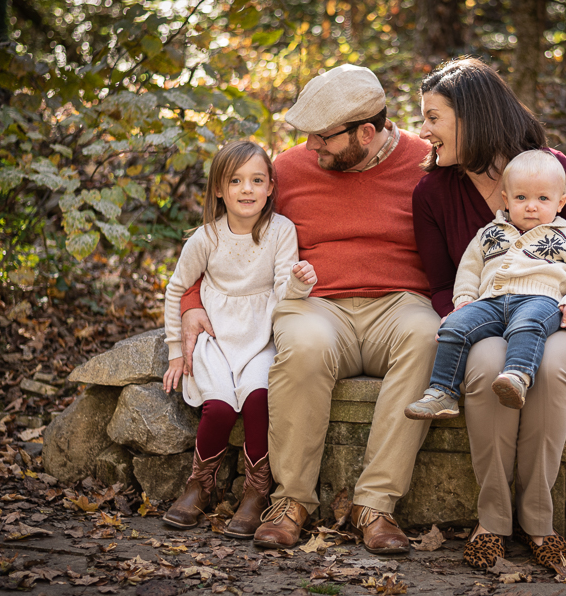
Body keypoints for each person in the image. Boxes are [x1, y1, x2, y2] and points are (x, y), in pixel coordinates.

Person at [178, 65, 439, 554]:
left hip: (400, 304)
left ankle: (375, 504)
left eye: (322, 138)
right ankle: (290, 501)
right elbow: (224, 237)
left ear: (367, 132)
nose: (310, 148)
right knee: (301, 345)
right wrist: (191, 302)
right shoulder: (292, 169)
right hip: (316, 303)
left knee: (427, 336)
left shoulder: (427, 164)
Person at [412, 58, 566, 569]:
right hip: (490, 318)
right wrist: (468, 311)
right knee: (483, 368)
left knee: (547, 367)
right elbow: (442, 285)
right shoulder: (432, 193)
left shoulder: (549, 169)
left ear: (471, 116)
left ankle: (540, 523)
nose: (424, 131)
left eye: (434, 118)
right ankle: (493, 520)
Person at [161, 141, 316, 538]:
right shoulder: (205, 238)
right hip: (215, 338)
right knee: (219, 409)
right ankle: (200, 485)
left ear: (270, 188)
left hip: (260, 339)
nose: (247, 189)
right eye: (236, 181)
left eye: (257, 180)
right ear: (219, 189)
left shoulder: (281, 231)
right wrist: (177, 352)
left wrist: (298, 286)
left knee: (258, 400)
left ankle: (255, 492)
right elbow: (177, 288)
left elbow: (284, 292)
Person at [405, 150, 566, 419]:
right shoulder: (489, 233)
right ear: (506, 201)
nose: (531, 206)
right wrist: (463, 299)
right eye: (521, 198)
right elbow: (470, 268)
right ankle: (442, 392)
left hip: (541, 301)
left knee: (528, 323)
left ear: (560, 202)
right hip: (491, 302)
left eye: (543, 198)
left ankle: (516, 376)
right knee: (453, 326)